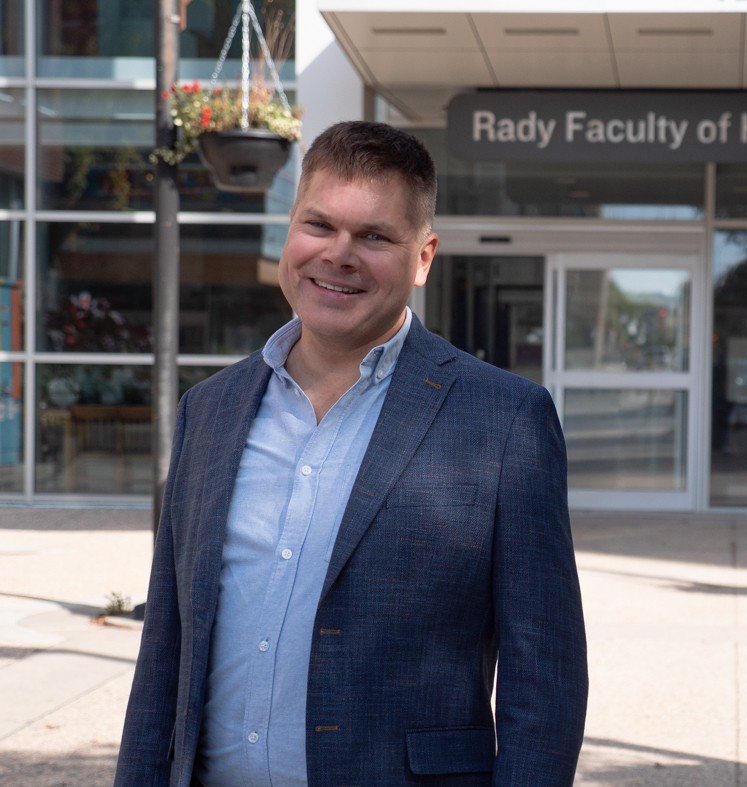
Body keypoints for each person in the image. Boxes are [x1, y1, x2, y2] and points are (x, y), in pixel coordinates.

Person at [113, 121, 588, 787]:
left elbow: (546, 679)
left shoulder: (505, 419)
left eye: (374, 236)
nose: (338, 254)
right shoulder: (209, 410)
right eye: (319, 225)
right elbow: (165, 644)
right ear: (290, 230)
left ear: (423, 257)